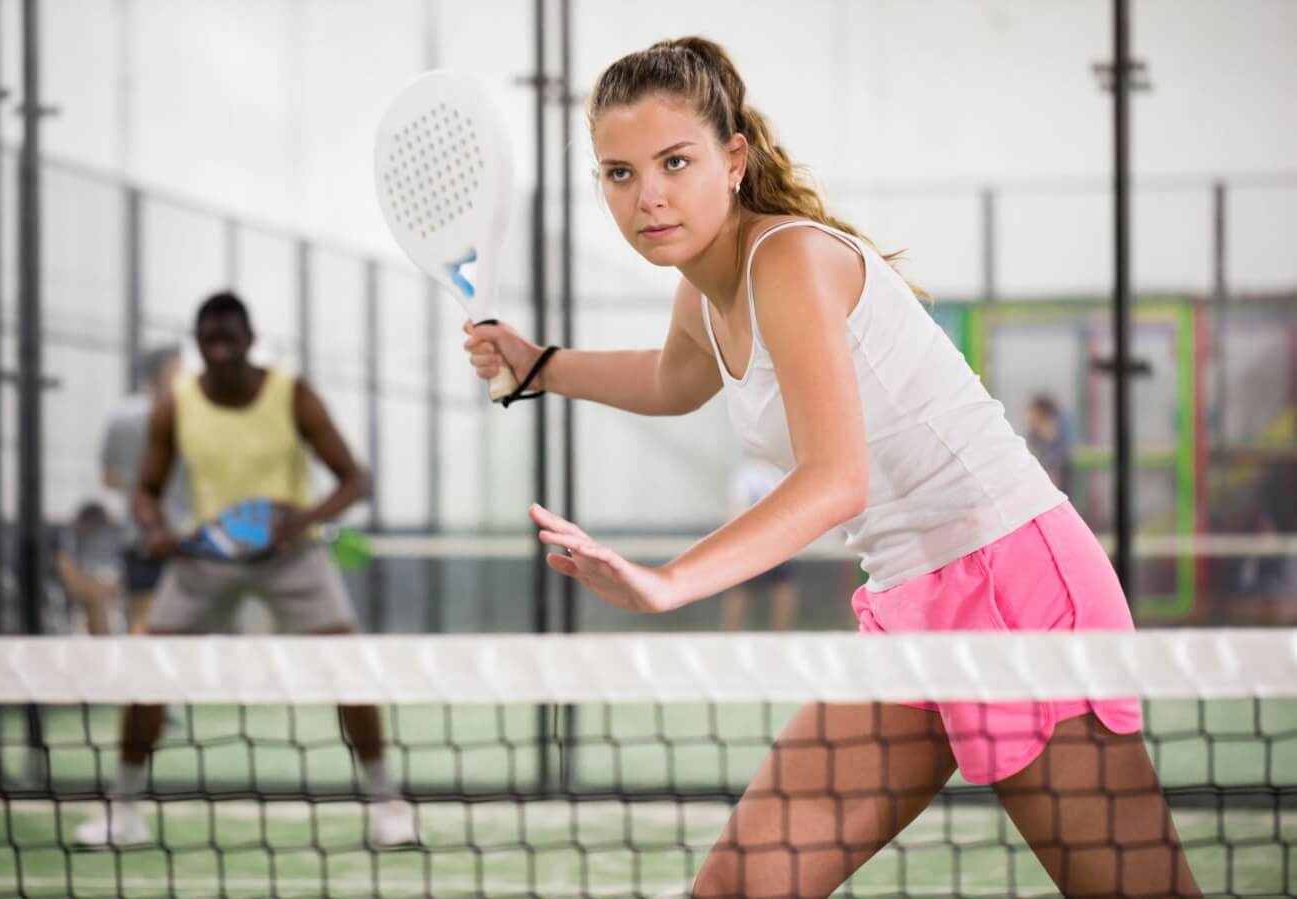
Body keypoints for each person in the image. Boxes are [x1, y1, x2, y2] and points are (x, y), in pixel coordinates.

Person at [463, 37, 1199, 898]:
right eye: (619, 173)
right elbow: (673, 379)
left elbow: (833, 480)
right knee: (740, 887)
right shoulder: (705, 287)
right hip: (909, 604)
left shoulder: (788, 258)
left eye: (674, 161)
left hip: (1018, 588)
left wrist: (670, 583)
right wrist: (538, 364)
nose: (648, 196)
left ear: (733, 161)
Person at [73, 291, 418, 849]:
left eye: (231, 339)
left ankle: (388, 808)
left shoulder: (293, 396)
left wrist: (302, 518)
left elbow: (356, 479)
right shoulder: (176, 404)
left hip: (292, 555)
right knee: (149, 669)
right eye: (210, 340)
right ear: (200, 345)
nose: (221, 350)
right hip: (206, 559)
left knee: (348, 667)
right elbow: (146, 492)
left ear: (249, 340)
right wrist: (156, 529)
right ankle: (123, 811)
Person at [100, 345, 190, 634]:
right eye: (180, 370)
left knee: (140, 619)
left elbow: (108, 478)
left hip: (138, 535)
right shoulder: (187, 416)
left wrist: (139, 484)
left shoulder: (119, 417)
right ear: (167, 374)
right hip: (182, 536)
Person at [721, 457, 798, 631]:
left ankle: (781, 634)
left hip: (776, 544)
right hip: (750, 544)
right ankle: (729, 634)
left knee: (783, 588)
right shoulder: (745, 474)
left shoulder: (778, 473)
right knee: (741, 590)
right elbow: (736, 510)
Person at [53, 501, 123, 635]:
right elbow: (66, 567)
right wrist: (89, 586)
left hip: (113, 586)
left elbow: (124, 573)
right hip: (86, 585)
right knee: (96, 597)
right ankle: (102, 641)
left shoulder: (115, 536)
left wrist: (112, 585)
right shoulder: (70, 536)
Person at [1025, 393, 1072, 494]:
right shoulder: (1035, 428)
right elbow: (1031, 444)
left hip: (1058, 467)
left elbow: (1060, 445)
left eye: (1034, 411)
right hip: (1046, 467)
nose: (1031, 415)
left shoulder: (1058, 421)